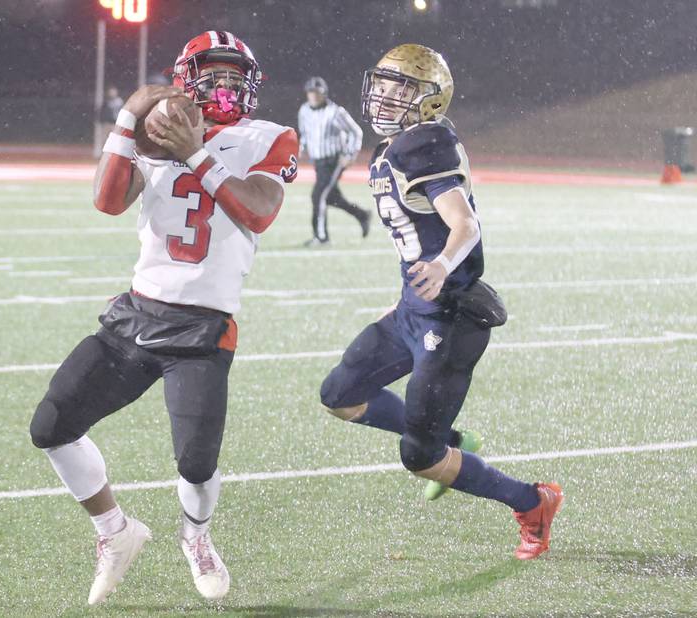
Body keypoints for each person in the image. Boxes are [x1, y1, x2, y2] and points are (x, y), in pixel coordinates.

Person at [29, 30, 298, 605]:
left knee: (197, 466)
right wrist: (129, 120)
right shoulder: (156, 126)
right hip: (136, 313)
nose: (225, 84)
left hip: (204, 328)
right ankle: (115, 532)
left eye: (234, 74)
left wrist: (194, 152)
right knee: (50, 426)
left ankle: (195, 537)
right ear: (186, 78)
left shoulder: (268, 136)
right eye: (213, 72)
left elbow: (258, 212)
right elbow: (106, 202)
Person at [319, 44, 563, 560]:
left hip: (450, 319)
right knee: (341, 393)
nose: (384, 96)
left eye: (399, 88)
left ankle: (532, 501)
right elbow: (415, 237)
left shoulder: (421, 145)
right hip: (414, 309)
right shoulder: (394, 146)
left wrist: (441, 267)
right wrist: (404, 292)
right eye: (381, 85)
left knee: (420, 456)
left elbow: (463, 224)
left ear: (429, 100)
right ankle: (453, 436)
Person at [297, 76, 369, 247]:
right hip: (318, 161)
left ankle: (321, 238)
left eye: (317, 93)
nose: (314, 96)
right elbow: (305, 132)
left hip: (333, 160)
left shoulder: (335, 112)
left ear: (324, 94)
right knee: (331, 197)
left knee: (318, 196)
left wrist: (349, 154)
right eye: (311, 93)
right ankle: (362, 215)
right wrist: (300, 147)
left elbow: (356, 132)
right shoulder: (304, 110)